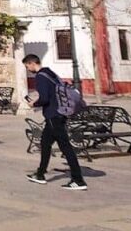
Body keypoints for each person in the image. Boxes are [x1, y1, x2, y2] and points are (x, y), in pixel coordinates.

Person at [23, 54, 87, 190]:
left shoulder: (40, 76)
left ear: (32, 63)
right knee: (45, 143)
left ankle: (78, 180)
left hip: (53, 115)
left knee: (65, 147)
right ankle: (40, 174)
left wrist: (34, 104)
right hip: (59, 113)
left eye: (27, 66)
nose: (27, 69)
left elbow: (45, 98)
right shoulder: (50, 73)